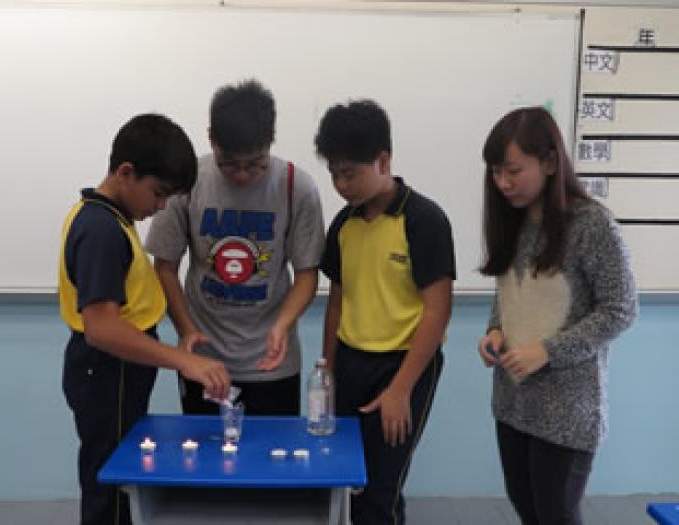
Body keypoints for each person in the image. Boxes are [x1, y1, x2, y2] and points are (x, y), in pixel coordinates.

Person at [59, 114, 231, 525]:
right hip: (106, 370)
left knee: (115, 474)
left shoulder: (109, 217)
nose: (160, 206)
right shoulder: (101, 230)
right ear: (125, 172)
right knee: (112, 482)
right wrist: (183, 360)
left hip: (116, 369)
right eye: (157, 193)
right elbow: (102, 328)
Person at [477, 107, 637, 525]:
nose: (503, 183)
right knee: (526, 507)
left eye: (513, 170)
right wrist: (495, 330)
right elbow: (509, 289)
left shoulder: (590, 224)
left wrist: (548, 351)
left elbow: (621, 309)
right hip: (513, 400)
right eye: (495, 172)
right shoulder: (511, 220)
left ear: (550, 162)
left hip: (568, 409)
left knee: (555, 515)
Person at [146, 79, 324, 416]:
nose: (242, 175)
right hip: (204, 360)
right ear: (211, 138)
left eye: (255, 164)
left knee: (272, 461)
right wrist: (186, 331)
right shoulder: (188, 183)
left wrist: (282, 325)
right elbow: (164, 268)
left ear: (270, 142)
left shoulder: (295, 187)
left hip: (273, 363)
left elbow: (306, 274)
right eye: (230, 164)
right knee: (206, 461)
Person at [315, 99, 455, 525]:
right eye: (334, 174)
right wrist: (328, 371)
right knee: (343, 482)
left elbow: (437, 311)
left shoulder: (424, 220)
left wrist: (399, 389)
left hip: (404, 366)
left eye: (350, 173)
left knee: (380, 491)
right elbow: (338, 301)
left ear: (383, 160)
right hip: (351, 360)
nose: (341, 184)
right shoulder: (343, 224)